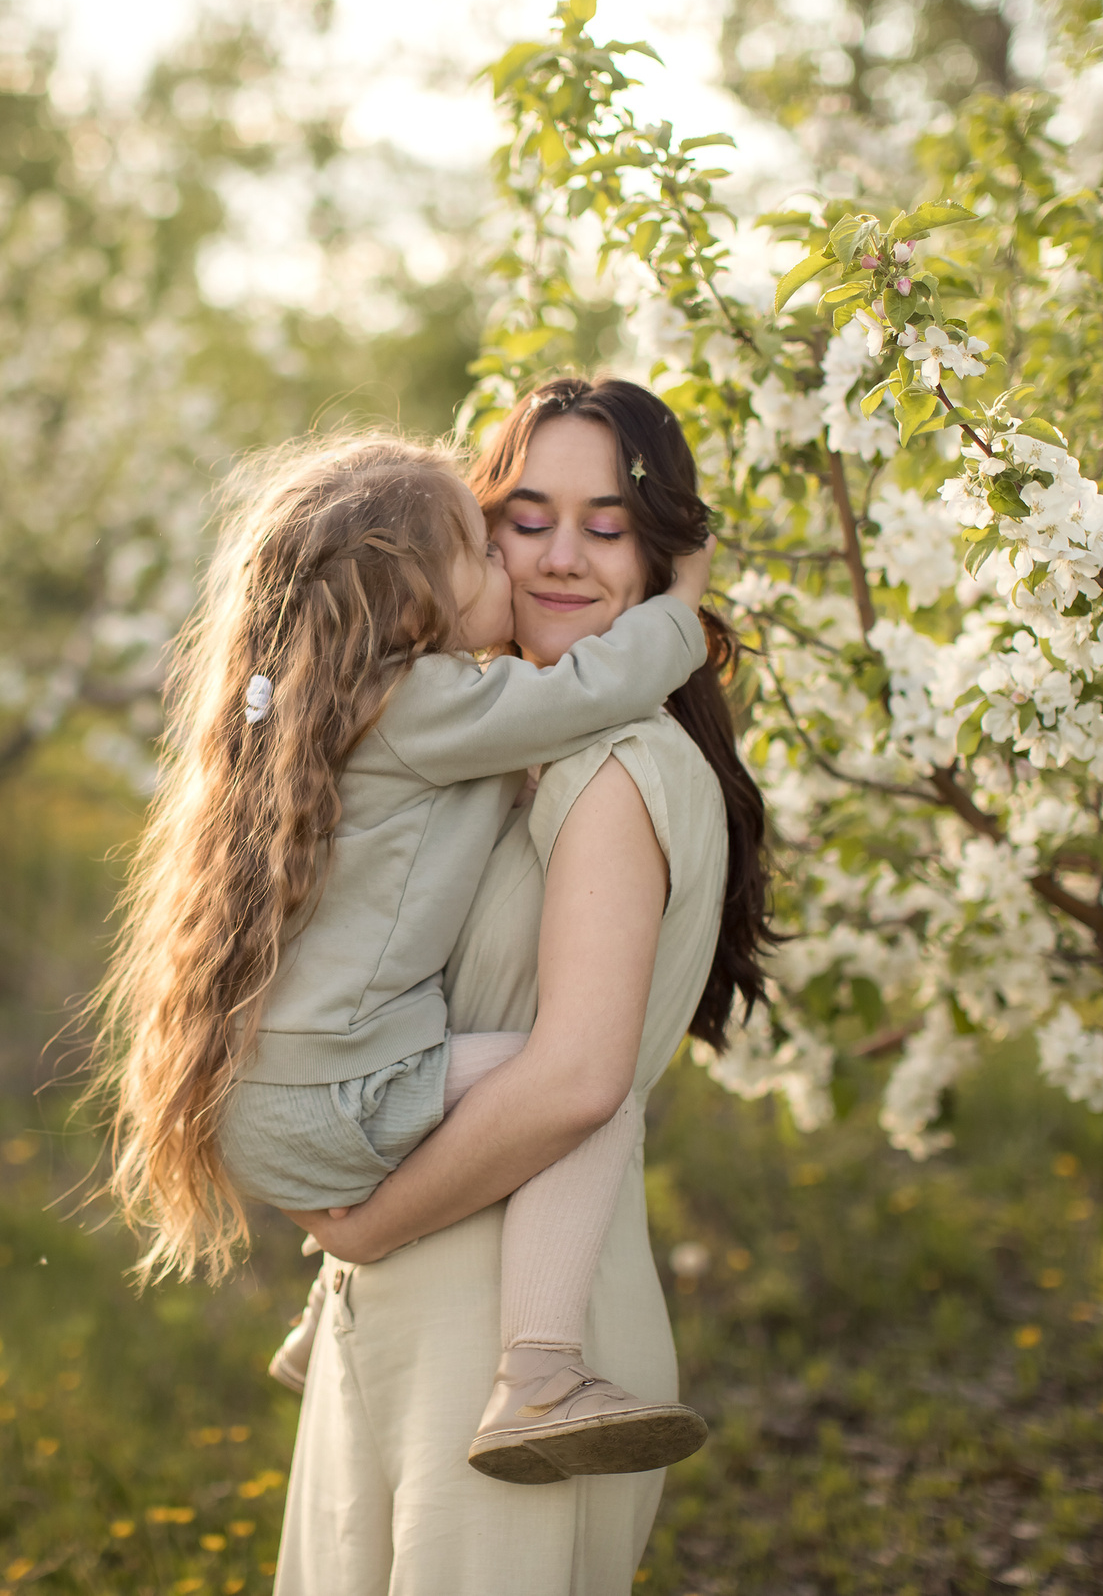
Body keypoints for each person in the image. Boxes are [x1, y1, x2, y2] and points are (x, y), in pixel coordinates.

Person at [90, 432, 714, 1483]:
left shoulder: (327, 707)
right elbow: (587, 694)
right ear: (411, 598)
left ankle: (317, 1315)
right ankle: (542, 1374)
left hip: (268, 1091)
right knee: (584, 1092)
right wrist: (679, 606)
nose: (511, 567)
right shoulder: (424, 703)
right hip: (331, 1097)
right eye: (481, 549)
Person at [269, 376, 775, 1593]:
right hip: (408, 1309)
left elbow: (574, 1080)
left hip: (506, 1327)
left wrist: (360, 1226)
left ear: (660, 561)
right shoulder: (490, 753)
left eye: (606, 527)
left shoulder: (608, 763)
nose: (559, 558)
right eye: (525, 516)